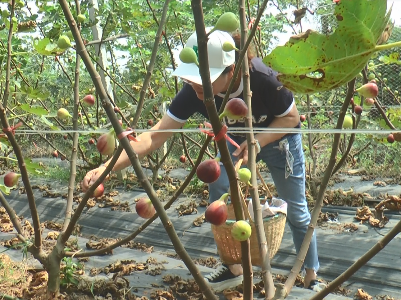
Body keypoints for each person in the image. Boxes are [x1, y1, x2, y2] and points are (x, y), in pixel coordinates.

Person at [81, 27, 320, 292]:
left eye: (202, 78)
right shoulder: (195, 91)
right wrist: (104, 168)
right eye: (191, 77)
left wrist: (258, 142)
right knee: (218, 193)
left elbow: (291, 118)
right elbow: (153, 137)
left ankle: (310, 273)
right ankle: (234, 268)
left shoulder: (265, 79)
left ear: (231, 71)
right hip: (233, 142)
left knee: (296, 208)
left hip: (279, 140)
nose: (195, 83)